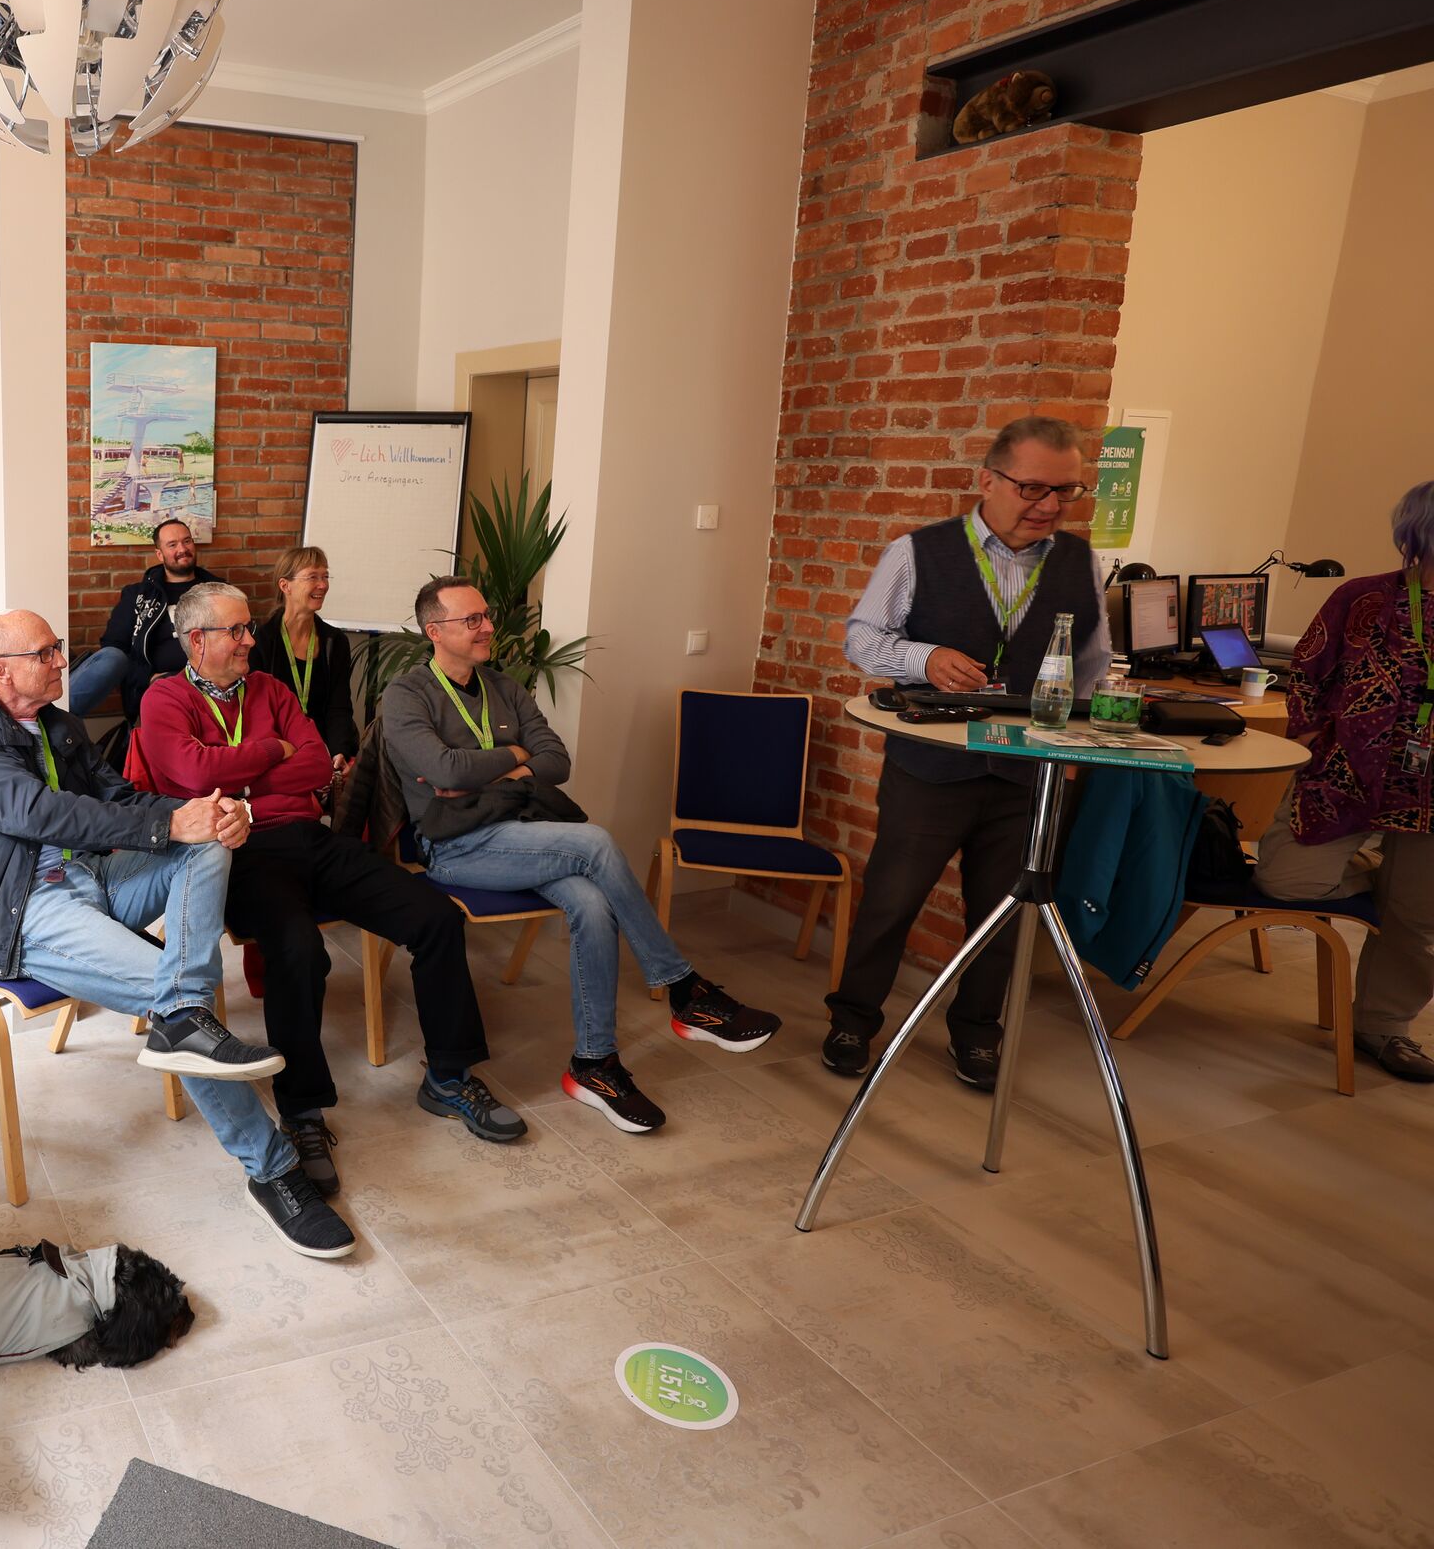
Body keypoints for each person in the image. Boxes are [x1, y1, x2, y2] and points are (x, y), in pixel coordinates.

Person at [0, 609, 357, 1259]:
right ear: (0, 670)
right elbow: (37, 812)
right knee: (171, 999)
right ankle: (272, 1169)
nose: (63, 661)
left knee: (205, 844)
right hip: (20, 906)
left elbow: (122, 798)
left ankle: (184, 1012)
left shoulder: (59, 725)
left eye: (58, 648)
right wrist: (167, 826)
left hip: (91, 877)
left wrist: (204, 813)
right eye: (46, 653)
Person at [138, 582, 525, 1191]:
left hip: (310, 839)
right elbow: (190, 772)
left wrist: (244, 787)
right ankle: (302, 1111)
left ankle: (448, 1078)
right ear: (197, 641)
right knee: (297, 949)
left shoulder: (272, 689)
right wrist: (272, 752)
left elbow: (317, 764)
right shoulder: (164, 698)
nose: (250, 640)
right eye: (237, 631)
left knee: (435, 917)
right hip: (237, 856)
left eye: (248, 628)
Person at [382, 577, 781, 1134]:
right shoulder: (406, 695)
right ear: (435, 631)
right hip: (457, 846)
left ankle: (594, 1065)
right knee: (594, 841)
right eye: (472, 620)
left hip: (528, 833)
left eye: (486, 615)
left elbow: (555, 760)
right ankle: (684, 989)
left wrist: (498, 769)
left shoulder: (504, 686)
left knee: (592, 904)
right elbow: (443, 770)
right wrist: (516, 757)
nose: (488, 627)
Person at [830, 414, 1108, 1088]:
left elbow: (1092, 663)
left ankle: (977, 1033)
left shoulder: (1081, 563)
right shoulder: (917, 552)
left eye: (1066, 491)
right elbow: (862, 639)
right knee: (891, 903)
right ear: (988, 480)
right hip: (930, 769)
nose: (1050, 506)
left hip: (1026, 772)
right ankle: (853, 1021)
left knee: (1003, 916)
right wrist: (923, 658)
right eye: (1034, 488)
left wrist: (1073, 743)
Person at [1253, 479, 1434, 1082]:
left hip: (1430, 793)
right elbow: (1308, 671)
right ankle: (1383, 875)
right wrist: (1308, 737)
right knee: (1286, 883)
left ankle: (1383, 1027)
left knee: (1419, 925)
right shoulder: (1364, 598)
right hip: (1344, 776)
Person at [63, 518, 219, 719]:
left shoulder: (218, 591)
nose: (182, 549)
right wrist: (147, 677)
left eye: (187, 541)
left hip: (212, 680)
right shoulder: (137, 596)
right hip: (159, 685)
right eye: (172, 545)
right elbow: (114, 649)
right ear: (159, 554)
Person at [247, 546, 358, 767]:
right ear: (285, 585)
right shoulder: (259, 643)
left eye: (325, 576)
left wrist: (339, 751)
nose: (323, 585)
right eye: (313, 577)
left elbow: (339, 706)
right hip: (282, 753)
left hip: (325, 750)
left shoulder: (335, 641)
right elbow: (258, 715)